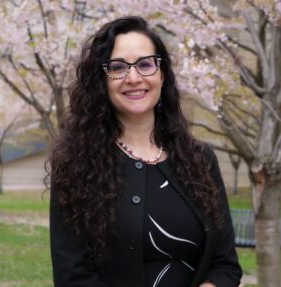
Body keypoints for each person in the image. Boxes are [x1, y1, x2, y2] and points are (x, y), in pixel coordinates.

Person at [49, 16, 242, 287]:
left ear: (162, 74)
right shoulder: (76, 166)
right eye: (117, 67)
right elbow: (73, 277)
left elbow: (225, 266)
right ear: (101, 81)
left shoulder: (200, 160)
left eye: (145, 64)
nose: (133, 77)